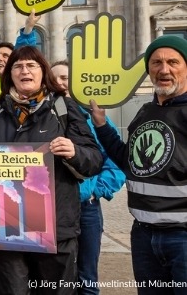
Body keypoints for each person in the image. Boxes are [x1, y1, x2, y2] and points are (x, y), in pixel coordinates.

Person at [0, 46, 102, 295]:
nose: (25, 71)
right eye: (18, 66)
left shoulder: (63, 107)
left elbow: (94, 159)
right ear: (9, 74)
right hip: (7, 229)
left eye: (31, 65)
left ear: (43, 72)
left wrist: (74, 151)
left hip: (55, 228)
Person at [90, 35, 187, 294]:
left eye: (172, 62)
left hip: (183, 237)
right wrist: (101, 125)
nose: (164, 69)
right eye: (156, 62)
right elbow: (129, 162)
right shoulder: (144, 111)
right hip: (143, 234)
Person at [50, 60, 125, 295]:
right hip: (53, 208)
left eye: (65, 78)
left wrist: (96, 189)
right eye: (54, 80)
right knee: (55, 275)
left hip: (86, 207)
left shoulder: (96, 118)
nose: (60, 84)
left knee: (86, 277)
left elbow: (116, 162)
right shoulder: (47, 117)